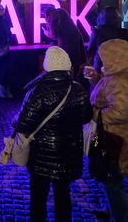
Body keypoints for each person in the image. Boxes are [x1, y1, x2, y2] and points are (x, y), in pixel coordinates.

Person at [13, 46, 92, 222]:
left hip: (42, 156)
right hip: (68, 155)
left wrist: (14, 120)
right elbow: (87, 116)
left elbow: (24, 124)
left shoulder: (38, 90)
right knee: (63, 196)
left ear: (47, 66)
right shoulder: (78, 89)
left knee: (38, 198)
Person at [85, 39, 128, 222]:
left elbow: (120, 112)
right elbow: (108, 94)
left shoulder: (120, 80)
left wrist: (94, 114)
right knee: (109, 177)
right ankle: (109, 210)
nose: (100, 60)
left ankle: (120, 217)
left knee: (114, 182)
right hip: (114, 136)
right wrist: (96, 79)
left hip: (117, 140)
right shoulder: (119, 74)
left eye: (103, 57)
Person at [43, 8, 87, 81]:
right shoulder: (73, 28)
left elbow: (54, 34)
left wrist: (48, 34)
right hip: (76, 62)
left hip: (66, 63)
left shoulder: (54, 18)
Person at [87, 7, 128, 71]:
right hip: (121, 67)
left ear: (101, 18)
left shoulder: (97, 31)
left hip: (101, 68)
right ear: (117, 18)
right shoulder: (125, 32)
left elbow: (90, 51)